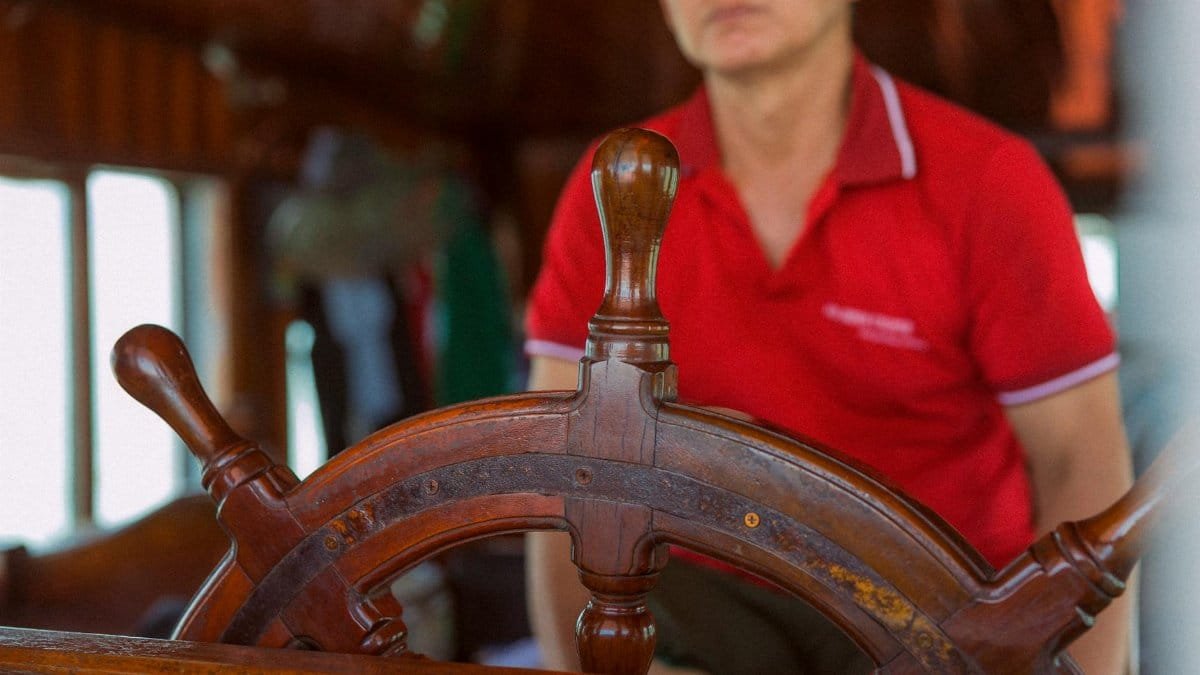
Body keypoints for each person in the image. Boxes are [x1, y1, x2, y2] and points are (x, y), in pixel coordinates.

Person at [523, 1, 1133, 673]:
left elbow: (1082, 463)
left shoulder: (990, 182)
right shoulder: (612, 186)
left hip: (931, 620)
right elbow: (562, 470)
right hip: (692, 615)